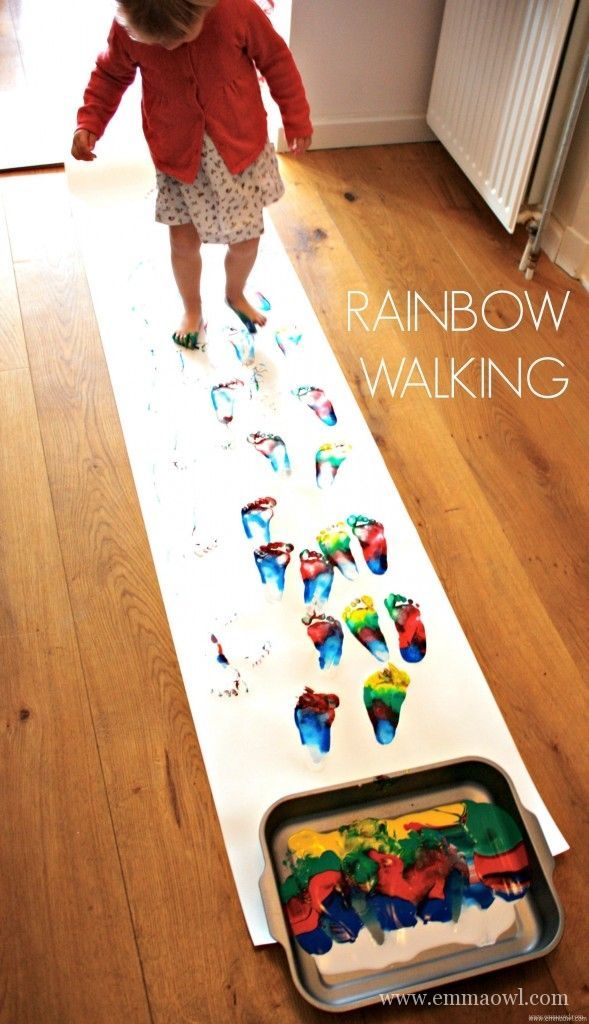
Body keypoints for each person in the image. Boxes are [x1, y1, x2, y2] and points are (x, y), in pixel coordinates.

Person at [72, 0, 313, 348]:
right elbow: (111, 74)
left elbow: (277, 61)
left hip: (238, 154)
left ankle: (234, 292)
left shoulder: (237, 12)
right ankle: (192, 309)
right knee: (182, 243)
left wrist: (296, 117)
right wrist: (90, 122)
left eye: (177, 37)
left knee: (245, 240)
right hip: (177, 158)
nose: (167, 47)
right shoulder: (132, 25)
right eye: (155, 42)